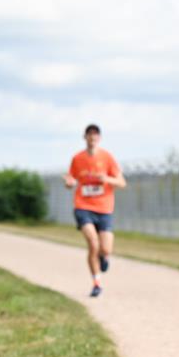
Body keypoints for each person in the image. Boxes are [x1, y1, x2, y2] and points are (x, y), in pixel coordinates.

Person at [63, 124, 125, 297]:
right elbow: (72, 180)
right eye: (89, 135)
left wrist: (107, 179)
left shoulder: (107, 158)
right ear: (85, 137)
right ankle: (96, 283)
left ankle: (104, 258)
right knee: (93, 243)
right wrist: (69, 184)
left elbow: (122, 182)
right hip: (83, 206)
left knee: (105, 249)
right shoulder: (77, 158)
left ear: (99, 138)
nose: (92, 138)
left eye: (95, 135)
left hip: (104, 208)